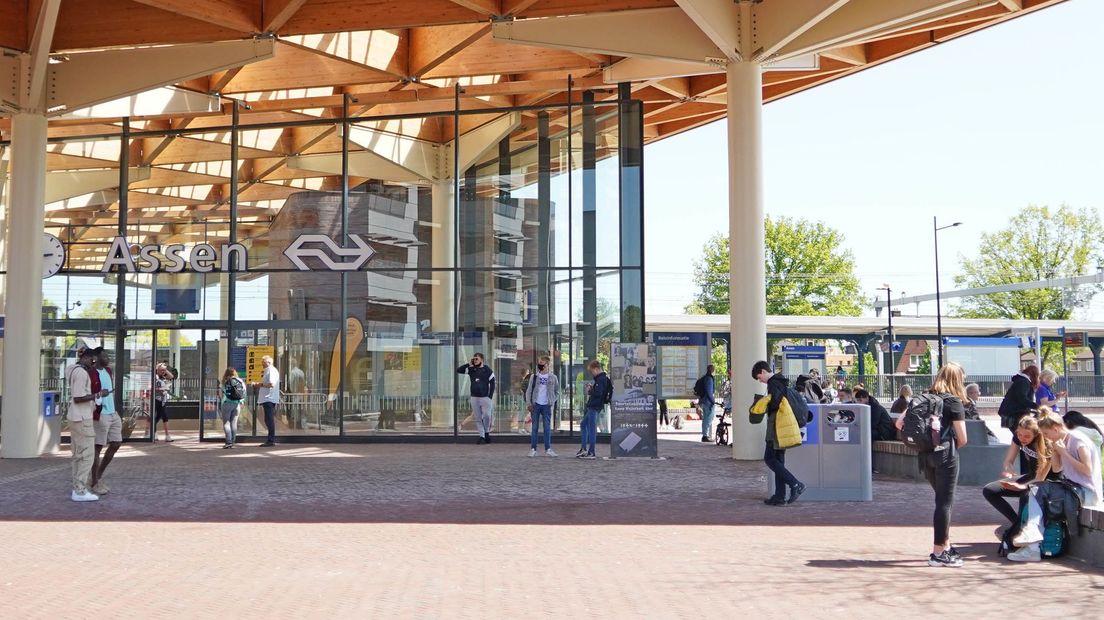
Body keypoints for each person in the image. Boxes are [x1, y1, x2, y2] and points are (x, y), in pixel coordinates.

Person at [895, 361, 969, 567]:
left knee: (941, 500)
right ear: (958, 380)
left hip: (925, 455)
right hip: (946, 455)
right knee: (945, 503)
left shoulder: (923, 397)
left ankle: (946, 545)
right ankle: (938, 552)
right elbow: (963, 439)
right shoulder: (953, 402)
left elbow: (899, 423)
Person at [982, 414, 1055, 556]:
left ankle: (1020, 532)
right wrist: (1009, 470)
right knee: (989, 490)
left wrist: (1023, 486)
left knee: (1026, 494)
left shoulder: (1045, 444)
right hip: (1030, 477)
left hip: (1047, 481)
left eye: (1027, 436)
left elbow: (1041, 478)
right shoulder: (1018, 438)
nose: (1022, 438)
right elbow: (1008, 460)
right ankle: (1017, 523)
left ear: (1036, 434)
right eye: (1020, 434)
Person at [752, 361, 806, 506]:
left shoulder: (774, 383)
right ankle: (780, 496)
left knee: (769, 458)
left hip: (777, 427)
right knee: (779, 461)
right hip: (782, 427)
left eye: (759, 377)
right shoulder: (781, 381)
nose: (760, 381)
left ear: (763, 371)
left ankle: (795, 484)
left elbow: (775, 403)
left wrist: (764, 402)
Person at [1039, 415, 1103, 507]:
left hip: (1088, 491)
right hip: (1072, 488)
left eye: (1046, 434)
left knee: (1051, 499)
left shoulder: (1078, 441)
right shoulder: (1061, 441)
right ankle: (1033, 522)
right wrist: (1054, 450)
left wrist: (1064, 453)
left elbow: (1088, 470)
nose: (1045, 438)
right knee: (1037, 490)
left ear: (1055, 429)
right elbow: (1056, 469)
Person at [67, 347, 105, 502]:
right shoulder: (82, 373)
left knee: (77, 455)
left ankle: (78, 488)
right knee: (87, 455)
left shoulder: (72, 370)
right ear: (86, 358)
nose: (93, 363)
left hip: (74, 417)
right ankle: (80, 490)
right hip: (82, 418)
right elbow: (78, 397)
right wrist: (97, 395)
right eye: (92, 360)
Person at [89, 348, 120, 496]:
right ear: (96, 357)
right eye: (104, 355)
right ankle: (94, 482)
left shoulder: (108, 370)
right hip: (101, 413)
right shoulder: (92, 372)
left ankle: (99, 475)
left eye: (107, 355)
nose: (107, 357)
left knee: (116, 443)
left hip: (113, 412)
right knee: (97, 447)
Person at [458, 353, 496, 444]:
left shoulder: (487, 370)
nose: (475, 361)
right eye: (474, 359)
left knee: (487, 415)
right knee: (478, 418)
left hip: (485, 397)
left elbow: (493, 383)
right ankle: (482, 436)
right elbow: (459, 370)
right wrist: (469, 364)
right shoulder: (471, 369)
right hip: (474, 397)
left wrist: (490, 397)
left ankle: (486, 432)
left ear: (481, 360)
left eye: (477, 359)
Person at [525, 356, 559, 457]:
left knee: (547, 427)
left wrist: (552, 400)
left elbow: (557, 391)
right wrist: (529, 403)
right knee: (534, 427)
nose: (540, 365)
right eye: (539, 363)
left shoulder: (553, 377)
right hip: (536, 405)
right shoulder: (534, 377)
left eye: (542, 363)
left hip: (547, 405)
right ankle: (533, 449)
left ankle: (548, 449)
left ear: (547, 365)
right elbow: (529, 391)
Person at [578, 360, 611, 459]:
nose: (592, 373)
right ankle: (584, 449)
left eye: (592, 371)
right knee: (584, 424)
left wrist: (591, 390)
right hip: (595, 406)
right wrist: (593, 389)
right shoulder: (602, 379)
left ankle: (591, 451)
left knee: (591, 428)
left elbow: (598, 393)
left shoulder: (600, 379)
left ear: (596, 369)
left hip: (594, 406)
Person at [998, 365, 1039, 431]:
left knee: (1018, 435)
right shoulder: (1023, 382)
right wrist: (1037, 406)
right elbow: (1022, 399)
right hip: (1015, 414)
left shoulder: (1020, 380)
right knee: (1019, 435)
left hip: (1011, 413)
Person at [254, 355, 280, 447]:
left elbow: (271, 384)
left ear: (268, 362)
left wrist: (259, 384)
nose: (262, 364)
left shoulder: (270, 370)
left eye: (263, 362)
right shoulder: (271, 370)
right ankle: (270, 439)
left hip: (269, 398)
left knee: (269, 419)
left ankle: (271, 440)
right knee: (268, 419)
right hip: (269, 398)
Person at [220, 368, 246, 448]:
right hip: (237, 404)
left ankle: (228, 442)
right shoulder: (240, 381)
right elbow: (244, 392)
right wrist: (241, 402)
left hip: (227, 403)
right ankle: (233, 442)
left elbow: (221, 393)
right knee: (234, 423)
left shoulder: (224, 381)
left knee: (226, 423)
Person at [153, 363, 174, 442]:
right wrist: (160, 390)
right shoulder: (154, 377)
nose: (163, 372)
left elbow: (171, 377)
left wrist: (165, 370)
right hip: (156, 399)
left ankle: (165, 435)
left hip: (163, 399)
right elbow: (152, 387)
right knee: (159, 416)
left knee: (161, 416)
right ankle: (156, 433)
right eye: (161, 370)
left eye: (164, 370)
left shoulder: (164, 377)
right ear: (157, 370)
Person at [698, 364, 716, 443]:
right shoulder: (709, 379)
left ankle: (705, 435)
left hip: (703, 400)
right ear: (712, 370)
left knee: (706, 418)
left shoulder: (705, 377)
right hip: (707, 402)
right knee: (708, 418)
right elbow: (709, 392)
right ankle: (705, 436)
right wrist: (713, 401)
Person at [516, 367, 533, 434]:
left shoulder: (528, 380)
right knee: (521, 413)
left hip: (526, 398)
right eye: (527, 372)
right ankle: (521, 428)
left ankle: (525, 428)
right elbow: (519, 388)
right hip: (521, 398)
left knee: (526, 413)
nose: (528, 374)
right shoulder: (521, 380)